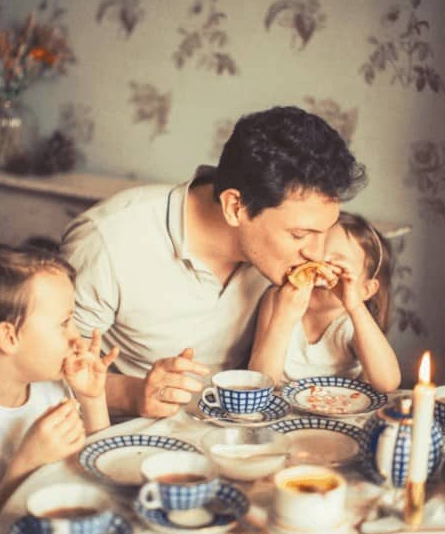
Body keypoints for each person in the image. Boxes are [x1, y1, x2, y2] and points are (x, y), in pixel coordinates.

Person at [61, 105, 367, 418]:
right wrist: (134, 393)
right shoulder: (108, 241)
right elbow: (49, 370)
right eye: (301, 234)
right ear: (236, 207)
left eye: (324, 232)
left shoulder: (279, 258)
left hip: (240, 430)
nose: (317, 254)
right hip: (138, 438)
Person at [0, 244, 119, 534]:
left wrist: (93, 399)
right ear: (9, 337)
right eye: (64, 323)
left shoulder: (51, 386)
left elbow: (97, 479)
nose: (78, 338)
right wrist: (26, 464)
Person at [249, 212, 400, 391]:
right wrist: (283, 319)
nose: (320, 271)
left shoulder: (354, 321)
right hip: (284, 410)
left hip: (343, 410)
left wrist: (356, 307)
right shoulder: (277, 301)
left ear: (366, 290)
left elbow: (388, 384)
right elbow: (259, 383)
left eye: (338, 266)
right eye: (314, 260)